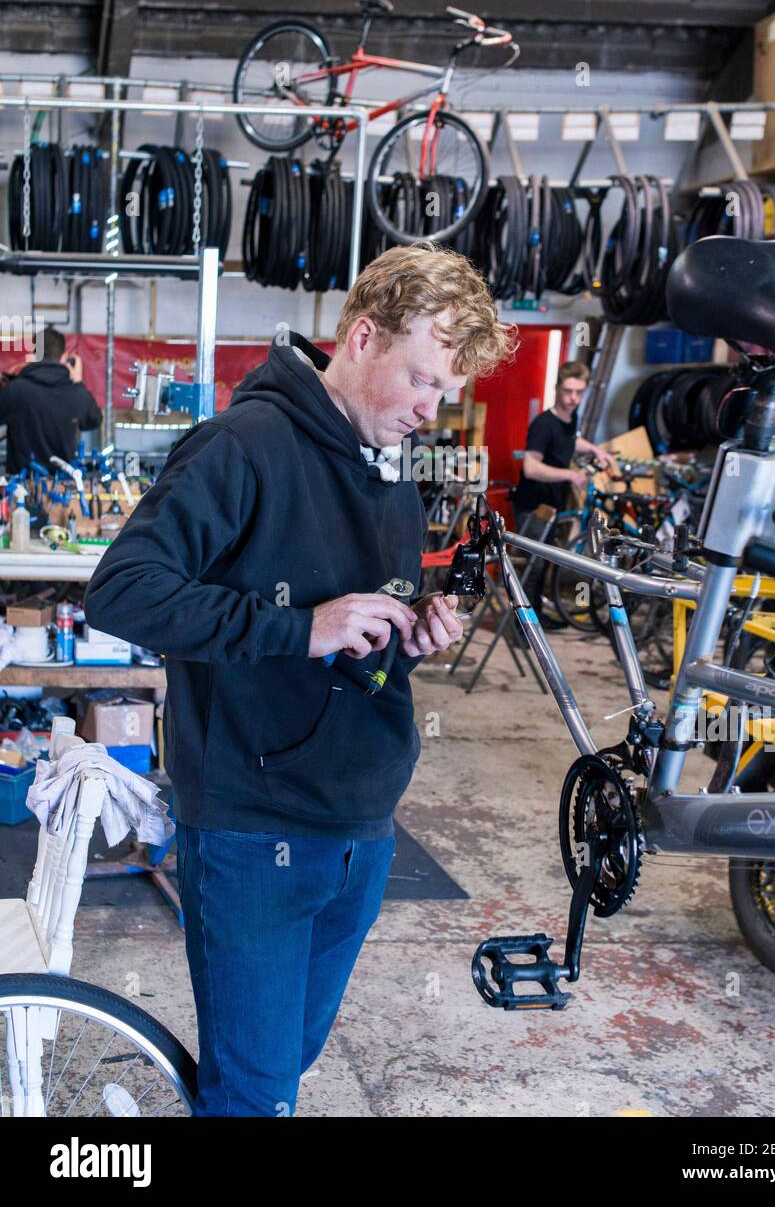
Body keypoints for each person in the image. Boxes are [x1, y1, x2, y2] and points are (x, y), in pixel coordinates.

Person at [84, 244, 517, 1117]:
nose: (430, 410)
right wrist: (301, 628)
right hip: (255, 829)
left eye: (444, 394)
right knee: (255, 1094)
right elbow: (122, 592)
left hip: (361, 824)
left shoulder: (385, 472)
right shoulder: (240, 448)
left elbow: (360, 624)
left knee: (285, 1064)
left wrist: (412, 630)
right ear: (362, 337)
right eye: (423, 381)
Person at [511, 361, 616, 630]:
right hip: (534, 505)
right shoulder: (543, 424)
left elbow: (570, 441)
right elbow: (531, 468)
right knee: (532, 568)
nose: (573, 399)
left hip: (554, 504)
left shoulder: (571, 419)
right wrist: (569, 475)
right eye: (568, 391)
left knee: (544, 563)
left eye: (579, 392)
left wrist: (595, 450)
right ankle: (523, 628)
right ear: (557, 388)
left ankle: (537, 617)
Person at [0, 327, 100, 473]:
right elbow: (94, 420)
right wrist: (78, 383)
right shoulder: (75, 393)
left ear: (34, 354)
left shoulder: (15, 390)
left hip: (20, 487)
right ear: (64, 357)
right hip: (63, 485)